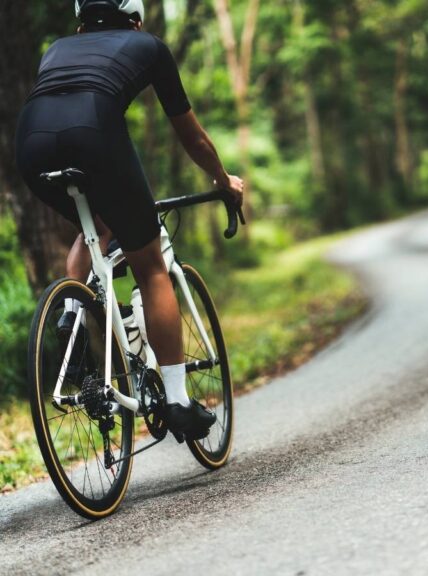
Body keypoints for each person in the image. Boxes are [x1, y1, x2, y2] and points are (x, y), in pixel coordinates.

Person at [15, 0, 245, 439]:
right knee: (151, 265)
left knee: (97, 227)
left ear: (81, 25)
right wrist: (223, 180)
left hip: (30, 143)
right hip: (94, 133)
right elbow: (192, 136)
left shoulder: (56, 49)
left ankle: (72, 311)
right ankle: (178, 401)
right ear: (135, 18)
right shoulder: (148, 46)